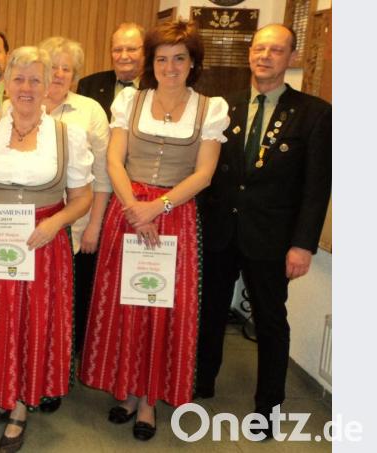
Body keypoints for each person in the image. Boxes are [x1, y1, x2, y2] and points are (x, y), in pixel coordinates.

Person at [79, 21, 229, 441]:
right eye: (162, 58)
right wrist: (133, 208)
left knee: (161, 305)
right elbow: (113, 161)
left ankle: (148, 401)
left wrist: (157, 206)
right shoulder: (131, 100)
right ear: (152, 62)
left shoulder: (209, 108)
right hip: (128, 212)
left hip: (175, 215)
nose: (170, 66)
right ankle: (125, 390)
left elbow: (204, 174)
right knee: (126, 304)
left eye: (179, 58)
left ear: (192, 62)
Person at [0, 46, 94, 453]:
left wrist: (56, 222)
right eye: (20, 79)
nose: (27, 87)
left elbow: (82, 197)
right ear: (7, 83)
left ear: (50, 83)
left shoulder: (68, 136)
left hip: (43, 245)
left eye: (37, 79)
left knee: (31, 324)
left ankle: (19, 407)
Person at [195, 24, 332, 439]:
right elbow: (209, 173)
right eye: (259, 48)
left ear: (291, 57)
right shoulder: (224, 107)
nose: (265, 56)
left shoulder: (314, 112)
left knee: (271, 322)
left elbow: (316, 188)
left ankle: (267, 407)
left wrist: (303, 245)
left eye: (277, 50)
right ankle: (202, 382)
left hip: (271, 239)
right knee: (211, 312)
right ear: (249, 54)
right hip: (221, 231)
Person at [33, 36, 111, 414]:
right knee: (34, 310)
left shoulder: (90, 111)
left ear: (76, 76)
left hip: (75, 230)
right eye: (53, 66)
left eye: (67, 68)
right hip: (29, 231)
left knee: (64, 312)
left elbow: (103, 175)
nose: (59, 74)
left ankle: (55, 381)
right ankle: (30, 373)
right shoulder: (24, 104)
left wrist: (95, 224)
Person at [77, 23, 145, 119]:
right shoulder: (89, 86)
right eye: (117, 50)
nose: (124, 56)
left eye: (131, 49)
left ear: (145, 51)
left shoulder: (156, 87)